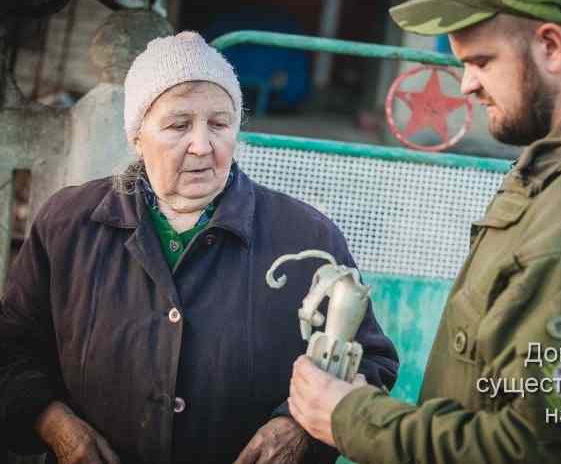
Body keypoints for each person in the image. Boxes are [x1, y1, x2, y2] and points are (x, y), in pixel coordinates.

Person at [289, 0, 561, 463]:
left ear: (550, 44)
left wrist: (351, 418)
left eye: (480, 61)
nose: (466, 85)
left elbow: (539, 451)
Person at [0, 31, 398, 464]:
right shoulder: (68, 225)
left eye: (220, 124)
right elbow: (12, 348)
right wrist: (53, 422)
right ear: (137, 135)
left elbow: (371, 360)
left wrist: (299, 426)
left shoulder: (306, 238)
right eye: (178, 125)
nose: (203, 145)